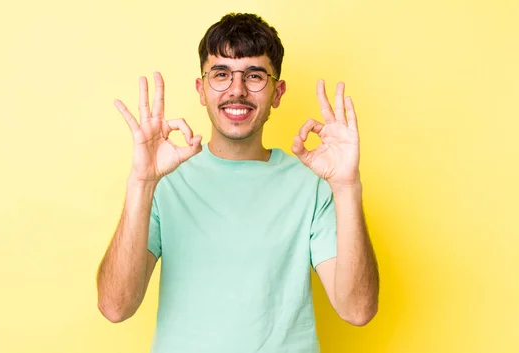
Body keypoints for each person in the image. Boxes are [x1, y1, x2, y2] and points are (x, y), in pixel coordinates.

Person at [96, 12, 379, 353]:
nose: (237, 90)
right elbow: (115, 307)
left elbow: (358, 310)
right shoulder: (163, 182)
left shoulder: (315, 184)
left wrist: (348, 186)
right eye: (221, 74)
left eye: (255, 76)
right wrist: (142, 182)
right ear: (201, 90)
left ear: (277, 92)